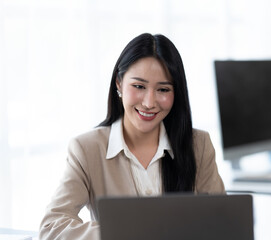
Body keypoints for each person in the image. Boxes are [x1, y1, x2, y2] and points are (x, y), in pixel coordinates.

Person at [39, 33, 225, 239]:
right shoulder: (87, 149)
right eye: (139, 86)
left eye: (163, 89)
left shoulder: (198, 145)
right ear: (119, 83)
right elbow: (52, 228)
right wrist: (124, 232)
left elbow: (222, 222)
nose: (149, 102)